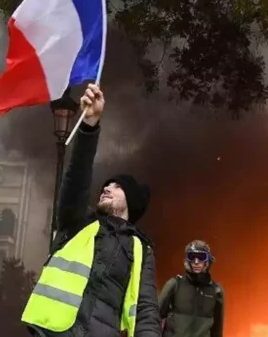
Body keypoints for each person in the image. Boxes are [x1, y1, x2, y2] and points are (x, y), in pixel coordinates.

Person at [21, 83, 162, 337]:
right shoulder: (80, 222)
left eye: (117, 187)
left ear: (131, 201)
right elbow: (76, 180)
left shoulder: (141, 250)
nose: (107, 188)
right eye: (106, 185)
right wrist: (90, 125)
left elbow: (146, 309)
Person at [158, 240, 224, 337]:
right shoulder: (174, 285)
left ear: (207, 260)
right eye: (192, 257)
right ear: (186, 260)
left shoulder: (216, 291)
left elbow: (217, 331)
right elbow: (154, 317)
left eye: (201, 257)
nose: (196, 262)